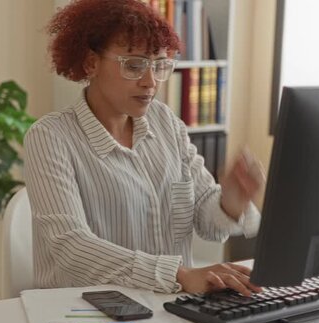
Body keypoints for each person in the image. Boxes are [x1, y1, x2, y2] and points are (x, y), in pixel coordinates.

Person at [24, 0, 265, 296]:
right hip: (85, 311)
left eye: (160, 65)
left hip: (168, 309)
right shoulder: (51, 137)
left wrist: (232, 201)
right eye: (134, 65)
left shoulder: (165, 123)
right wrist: (180, 275)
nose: (150, 82)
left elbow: (210, 226)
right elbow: (70, 247)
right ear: (91, 63)